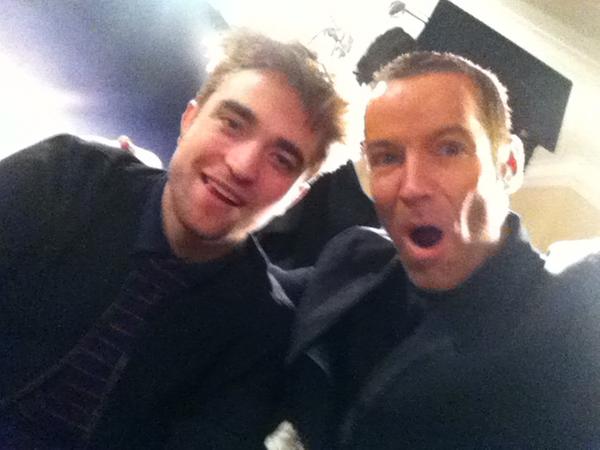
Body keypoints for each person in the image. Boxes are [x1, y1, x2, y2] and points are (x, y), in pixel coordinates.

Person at [0, 29, 346, 449]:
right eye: (233, 124)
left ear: (296, 196)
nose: (242, 165)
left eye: (282, 159)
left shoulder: (261, 331)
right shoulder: (66, 176)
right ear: (189, 120)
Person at [285, 51, 600, 449]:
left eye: (449, 148)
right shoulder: (355, 256)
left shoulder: (570, 333)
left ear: (508, 165)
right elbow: (258, 293)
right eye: (387, 157)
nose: (412, 187)